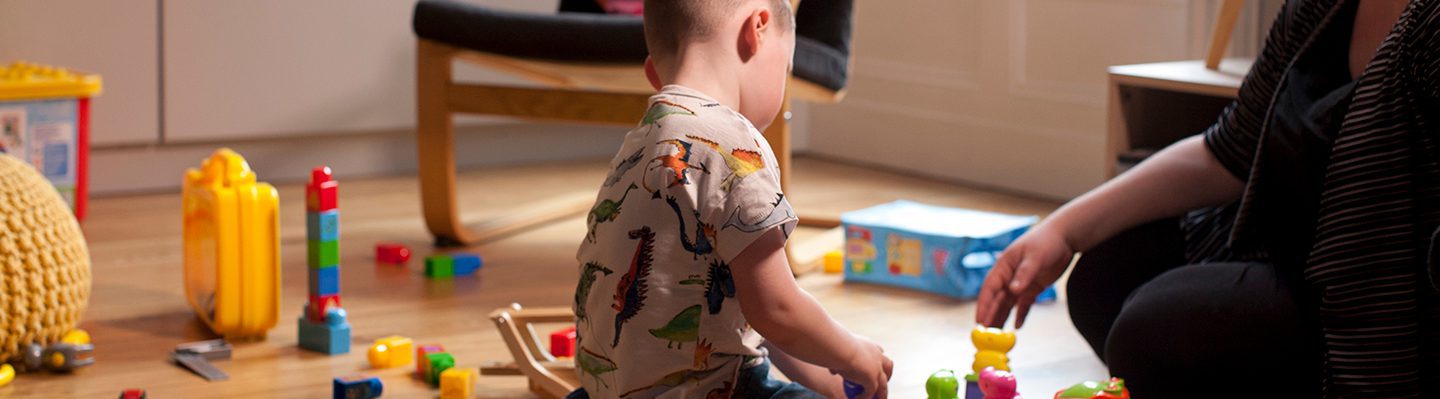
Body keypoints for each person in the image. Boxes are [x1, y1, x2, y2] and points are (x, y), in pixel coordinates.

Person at [976, 0, 1438, 397]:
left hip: (1369, 306)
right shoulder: (1323, 6)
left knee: (1155, 331)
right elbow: (1229, 148)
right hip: (1280, 243)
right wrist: (1061, 229)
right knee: (1102, 276)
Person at [571, 0, 893, 397]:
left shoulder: (639, 143)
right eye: (786, 70)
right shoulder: (732, 145)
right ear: (756, 29)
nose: (783, 83)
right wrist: (852, 352)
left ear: (654, 74)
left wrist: (825, 373)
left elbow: (751, 310)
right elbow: (777, 309)